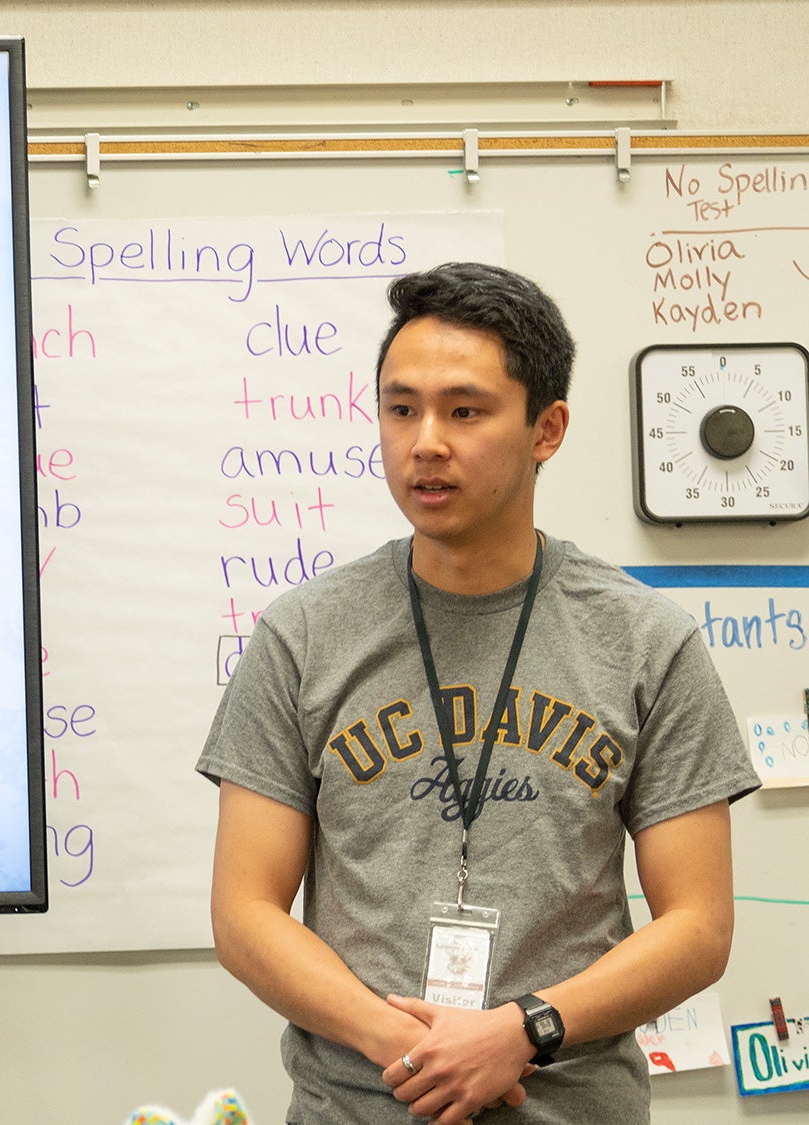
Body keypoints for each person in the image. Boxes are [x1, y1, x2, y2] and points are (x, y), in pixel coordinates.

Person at [200, 262, 761, 1124]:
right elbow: (244, 911)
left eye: (464, 410)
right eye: (400, 408)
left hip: (571, 1104)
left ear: (547, 428)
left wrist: (522, 1031)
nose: (425, 440)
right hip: (360, 1105)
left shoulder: (647, 640)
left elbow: (699, 925)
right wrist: (406, 1043)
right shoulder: (305, 635)